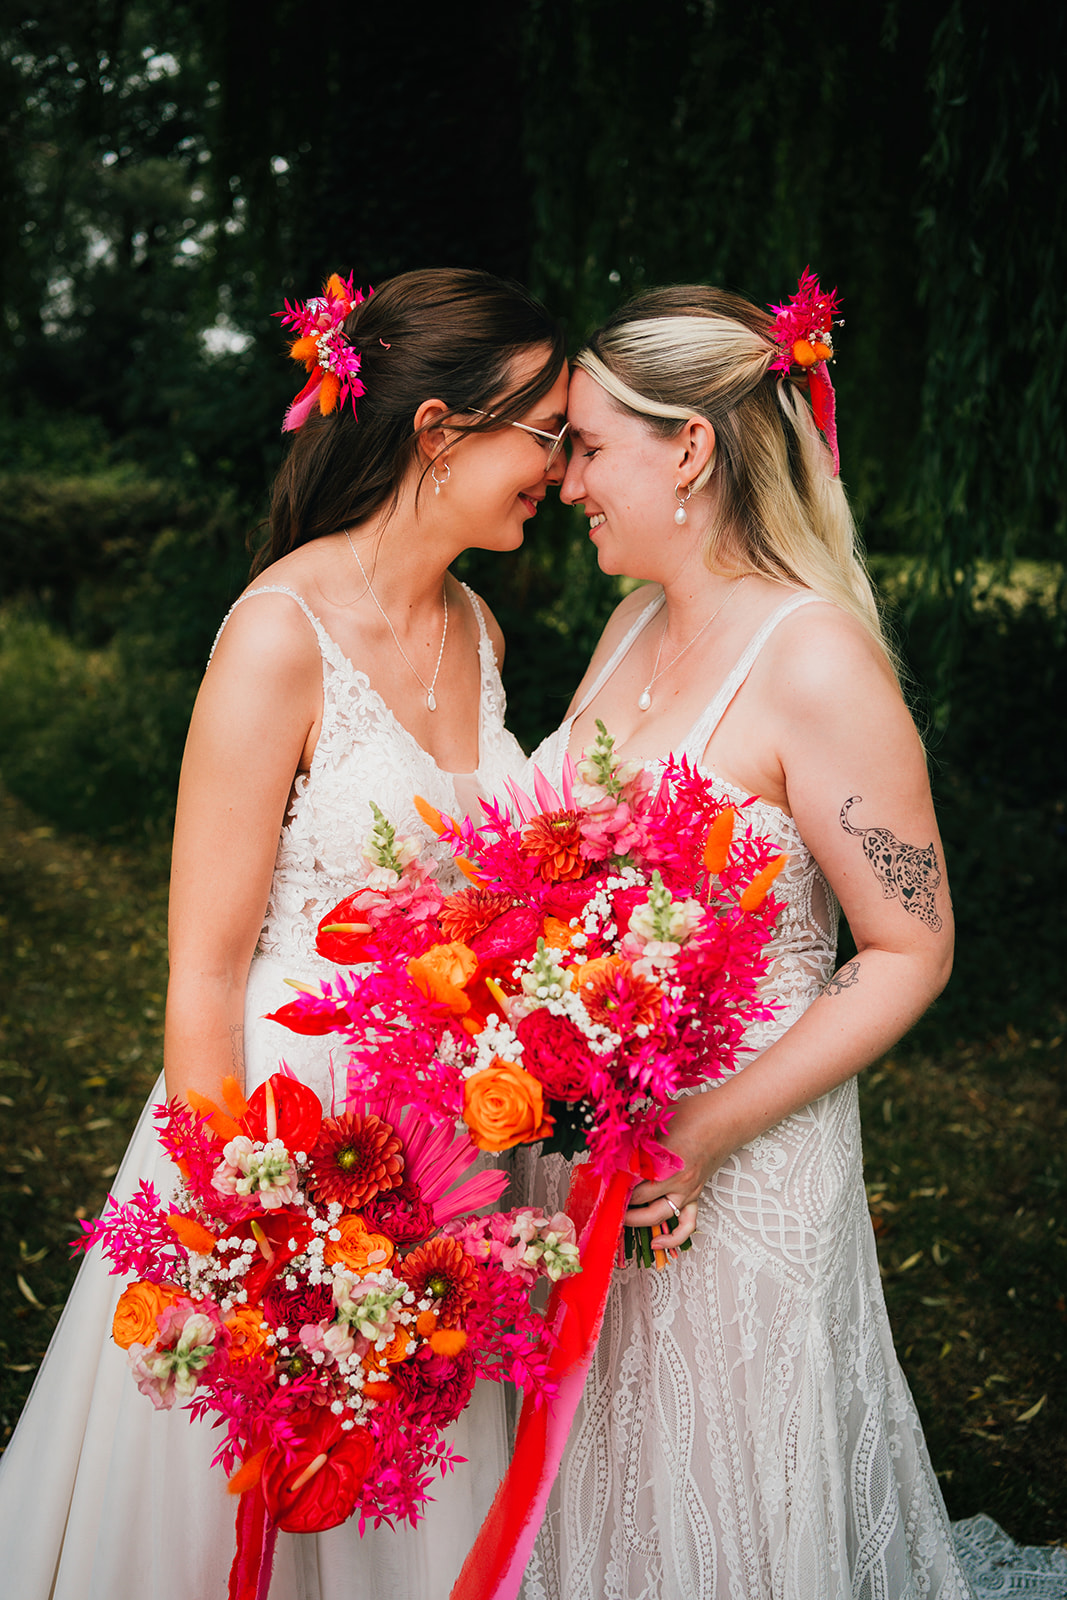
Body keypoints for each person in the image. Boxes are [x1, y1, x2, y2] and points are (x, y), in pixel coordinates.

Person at [0, 266, 569, 1600]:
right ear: (440, 432)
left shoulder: (478, 627)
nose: (563, 461)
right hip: (280, 1121)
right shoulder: (278, 635)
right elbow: (202, 965)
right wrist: (244, 1235)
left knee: (410, 1486)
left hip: (434, 1136)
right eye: (545, 431)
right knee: (255, 1492)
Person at [515, 282, 976, 1599]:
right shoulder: (630, 627)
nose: (568, 479)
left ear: (693, 449)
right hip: (589, 1146)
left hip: (741, 1165)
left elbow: (909, 945)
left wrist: (704, 1128)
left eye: (591, 444)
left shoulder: (813, 661)